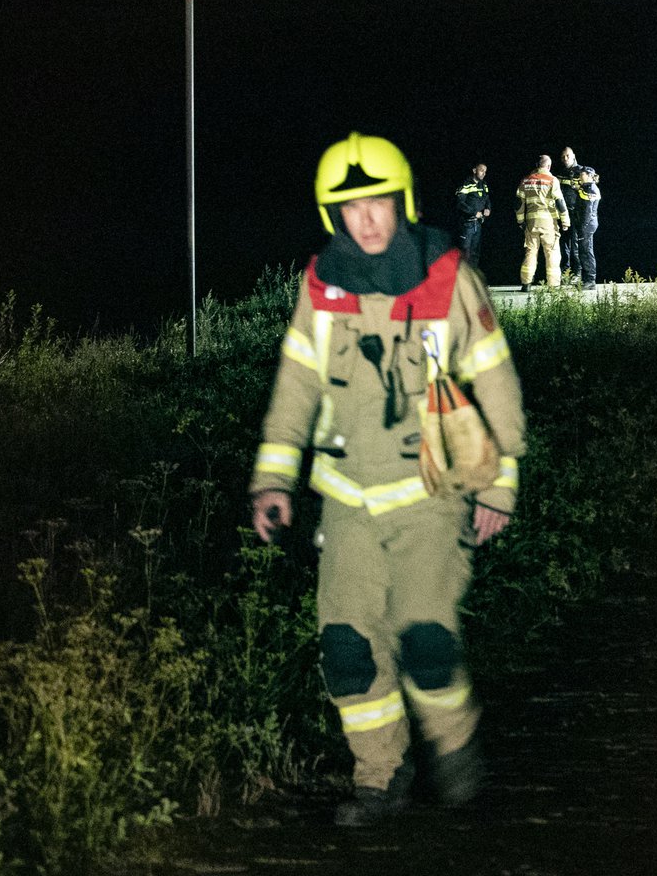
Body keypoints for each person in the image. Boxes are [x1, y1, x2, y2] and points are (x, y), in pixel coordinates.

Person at [248, 132, 525, 827]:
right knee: (346, 647)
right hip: (346, 499)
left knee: (424, 639)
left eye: (377, 203)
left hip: (432, 494)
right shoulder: (322, 285)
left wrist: (500, 482)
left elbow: (495, 377)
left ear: (402, 202)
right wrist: (273, 479)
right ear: (332, 214)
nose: (365, 219)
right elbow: (296, 383)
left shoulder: (447, 276)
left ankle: (454, 747)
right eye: (350, 207)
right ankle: (379, 776)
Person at [515, 153, 569, 289]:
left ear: (537, 165)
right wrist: (565, 221)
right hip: (548, 223)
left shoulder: (525, 180)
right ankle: (553, 285)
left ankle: (526, 283)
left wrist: (520, 221)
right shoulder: (552, 180)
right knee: (552, 252)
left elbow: (518, 203)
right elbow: (560, 202)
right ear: (549, 166)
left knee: (531, 251)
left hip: (531, 223)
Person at [556, 146, 602, 290]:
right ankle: (567, 272)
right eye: (563, 156)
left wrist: (583, 225)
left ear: (573, 156)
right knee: (565, 244)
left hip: (580, 218)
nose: (565, 159)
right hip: (566, 214)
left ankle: (580, 274)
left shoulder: (585, 177)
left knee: (580, 248)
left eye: (568, 156)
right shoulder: (561, 174)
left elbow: (588, 209)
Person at [454, 163, 491, 267]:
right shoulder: (466, 184)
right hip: (467, 224)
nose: (484, 173)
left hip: (478, 224)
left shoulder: (483, 184)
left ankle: (473, 274)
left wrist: (488, 208)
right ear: (474, 170)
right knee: (464, 252)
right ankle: (462, 275)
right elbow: (460, 203)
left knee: (475, 253)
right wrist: (474, 212)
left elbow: (487, 199)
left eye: (485, 171)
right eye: (481, 170)